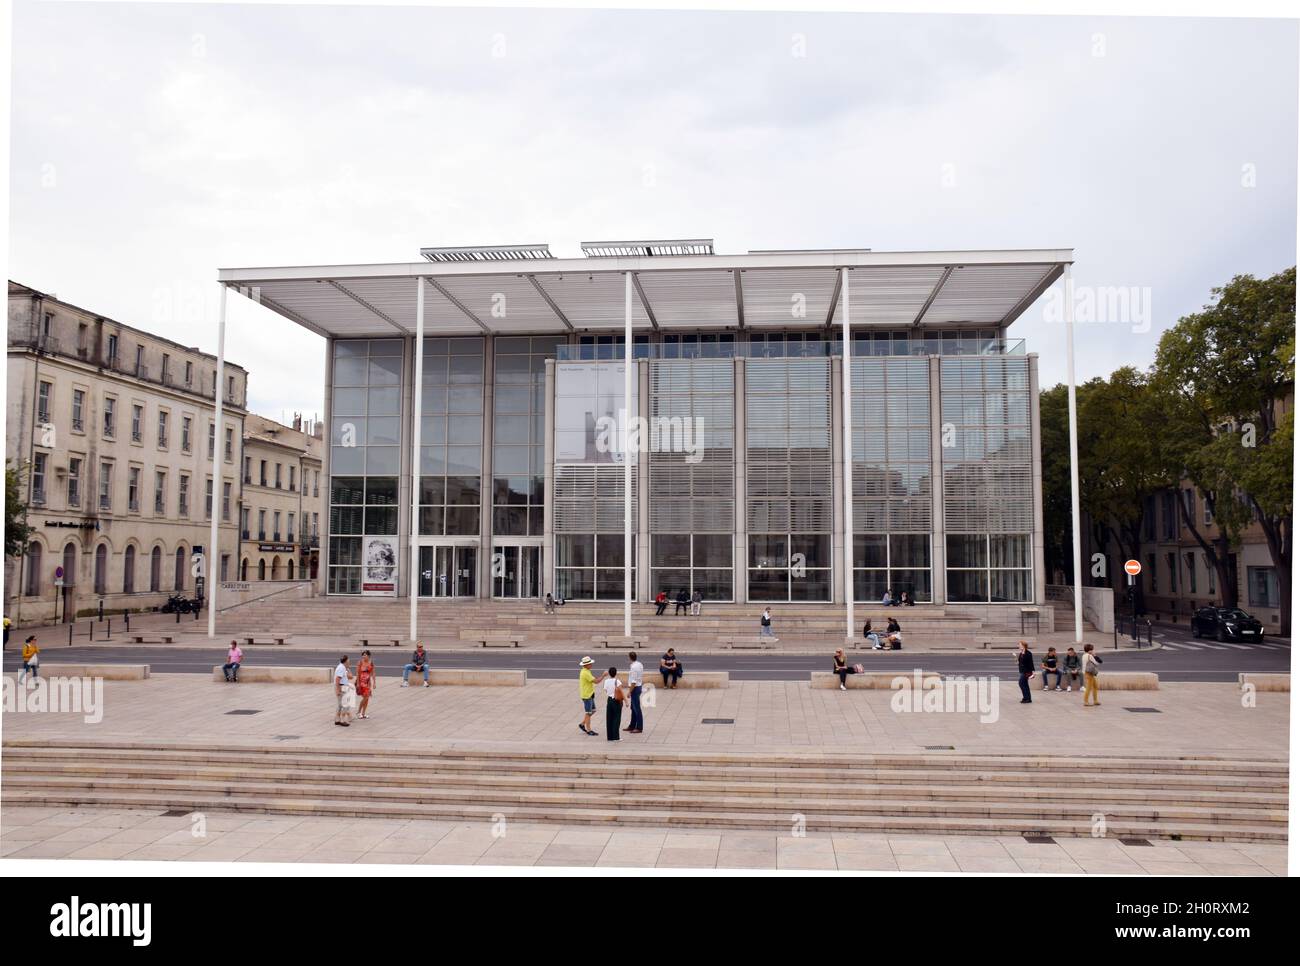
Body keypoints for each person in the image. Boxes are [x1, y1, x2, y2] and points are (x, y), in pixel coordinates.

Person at [578, 656, 606, 736]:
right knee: (588, 713)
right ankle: (588, 729)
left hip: (589, 694)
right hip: (587, 696)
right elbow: (596, 681)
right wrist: (603, 675)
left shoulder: (586, 670)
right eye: (590, 663)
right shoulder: (586, 673)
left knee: (593, 710)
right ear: (586, 665)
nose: (591, 665)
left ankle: (582, 724)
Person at [604, 666, 625, 741]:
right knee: (616, 718)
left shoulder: (606, 681)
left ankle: (610, 737)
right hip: (616, 701)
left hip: (609, 700)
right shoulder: (618, 681)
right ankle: (616, 737)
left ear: (609, 673)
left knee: (609, 718)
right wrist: (625, 701)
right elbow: (621, 692)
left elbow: (606, 691)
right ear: (616, 673)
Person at [625, 651, 645, 733]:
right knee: (633, 708)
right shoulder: (639, 664)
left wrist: (629, 691)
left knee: (636, 708)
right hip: (639, 686)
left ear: (630, 657)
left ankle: (639, 727)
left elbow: (633, 681)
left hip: (635, 688)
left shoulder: (633, 667)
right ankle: (632, 725)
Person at [333, 655, 353, 727]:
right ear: (346, 661)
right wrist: (338, 690)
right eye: (348, 660)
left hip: (341, 686)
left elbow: (350, 676)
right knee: (345, 705)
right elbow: (338, 679)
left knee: (340, 705)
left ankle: (337, 720)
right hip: (341, 687)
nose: (349, 661)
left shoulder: (342, 667)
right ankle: (343, 720)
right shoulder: (341, 668)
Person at [356, 650, 376, 719]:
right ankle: (358, 712)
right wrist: (358, 683)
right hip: (362, 682)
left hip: (368, 682)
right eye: (363, 655)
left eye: (365, 655)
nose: (363, 656)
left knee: (367, 698)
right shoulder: (360, 662)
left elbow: (373, 673)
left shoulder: (371, 663)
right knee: (365, 697)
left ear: (369, 656)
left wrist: (374, 683)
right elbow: (358, 673)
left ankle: (363, 713)